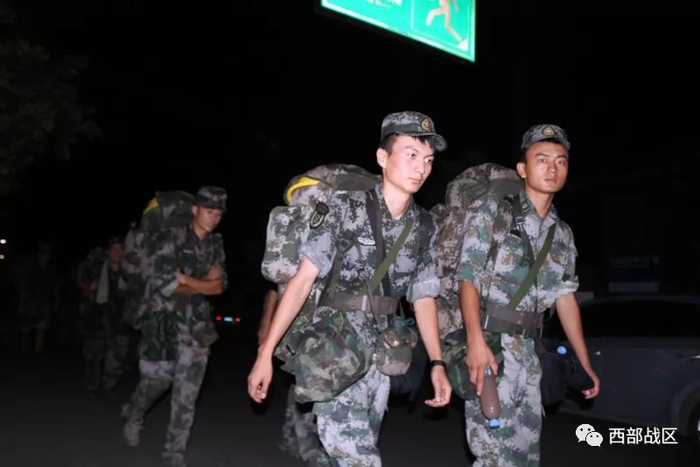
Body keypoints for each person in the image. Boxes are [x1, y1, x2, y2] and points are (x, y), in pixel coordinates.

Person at [248, 111, 452, 466]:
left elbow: (423, 297)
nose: (421, 167)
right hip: (334, 344)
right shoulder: (346, 208)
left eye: (428, 160)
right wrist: (265, 353)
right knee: (356, 455)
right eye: (411, 155)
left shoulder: (424, 226)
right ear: (382, 158)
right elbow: (302, 281)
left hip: (384, 353)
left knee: (349, 450)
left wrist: (437, 362)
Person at [458, 124, 600, 466]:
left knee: (526, 456)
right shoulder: (495, 213)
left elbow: (565, 298)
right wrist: (476, 342)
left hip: (531, 354)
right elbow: (468, 279)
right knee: (493, 457)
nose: (552, 168)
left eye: (561, 161)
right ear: (522, 169)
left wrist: (584, 363)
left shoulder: (562, 234)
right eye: (542, 159)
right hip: (492, 348)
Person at [121, 186, 228, 467]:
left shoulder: (215, 244)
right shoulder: (169, 238)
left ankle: (174, 454)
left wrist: (188, 281)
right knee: (156, 382)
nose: (214, 218)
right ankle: (134, 413)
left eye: (218, 214)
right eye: (209, 211)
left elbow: (219, 287)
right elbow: (166, 285)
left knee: (187, 396)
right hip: (163, 322)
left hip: (196, 326)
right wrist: (203, 284)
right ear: (195, 210)